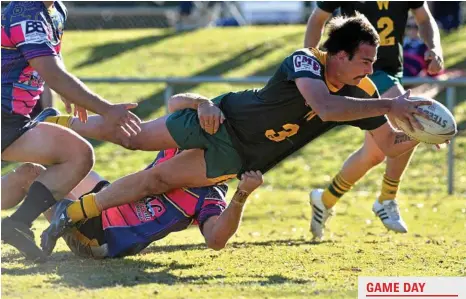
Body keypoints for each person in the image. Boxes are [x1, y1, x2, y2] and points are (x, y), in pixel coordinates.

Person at [41, 14, 443, 249]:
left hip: (237, 156)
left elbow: (389, 143)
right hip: (218, 117)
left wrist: (424, 134)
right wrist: (392, 104)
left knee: (154, 179)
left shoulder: (366, 91)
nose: (372, 70)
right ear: (339, 55)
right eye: (366, 60)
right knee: (131, 137)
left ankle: (71, 213)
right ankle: (52, 122)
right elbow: (323, 106)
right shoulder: (305, 59)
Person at [1, 1, 141, 261]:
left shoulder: (56, 10)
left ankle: (17, 224)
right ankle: (17, 223)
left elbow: (52, 56)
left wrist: (69, 92)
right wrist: (107, 109)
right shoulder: (26, 11)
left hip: (13, 118)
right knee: (77, 154)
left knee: (74, 155)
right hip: (4, 116)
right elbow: (50, 72)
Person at [304, 1, 444, 238]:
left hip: (389, 72)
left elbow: (424, 18)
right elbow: (318, 19)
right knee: (408, 116)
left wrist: (435, 47)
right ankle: (387, 198)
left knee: (375, 153)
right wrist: (308, 61)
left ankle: (324, 199)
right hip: (357, 71)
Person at [2, 152, 263, 259]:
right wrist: (203, 105)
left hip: (98, 236)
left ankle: (17, 227)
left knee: (31, 174)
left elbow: (216, 240)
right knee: (58, 160)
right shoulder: (177, 152)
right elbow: (176, 103)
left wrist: (241, 195)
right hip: (101, 199)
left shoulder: (210, 193)